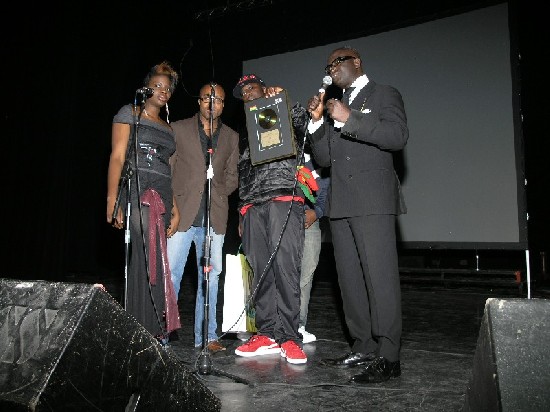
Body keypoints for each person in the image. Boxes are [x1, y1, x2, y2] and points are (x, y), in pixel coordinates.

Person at [307, 46, 408, 383]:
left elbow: (397, 136)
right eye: (328, 65)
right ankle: (363, 345)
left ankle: (389, 355)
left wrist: (350, 118)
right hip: (342, 204)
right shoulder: (336, 104)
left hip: (373, 202)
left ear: (356, 62)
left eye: (337, 62)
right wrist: (318, 122)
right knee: (349, 281)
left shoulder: (384, 94)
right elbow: (322, 159)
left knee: (380, 278)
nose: (331, 68)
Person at [232, 74, 308, 365]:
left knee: (285, 267)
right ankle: (266, 333)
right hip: (252, 204)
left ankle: (289, 336)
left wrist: (286, 102)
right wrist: (242, 209)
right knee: (259, 268)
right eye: (244, 93)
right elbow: (243, 173)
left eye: (252, 88)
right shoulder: (247, 132)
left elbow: (305, 131)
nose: (248, 95)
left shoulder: (282, 112)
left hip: (283, 198)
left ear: (264, 88)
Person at [106, 61, 181, 342]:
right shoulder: (129, 112)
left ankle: (153, 327)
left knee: (156, 256)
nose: (163, 92)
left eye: (168, 89)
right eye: (158, 86)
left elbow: (169, 169)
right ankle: (138, 325)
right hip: (137, 189)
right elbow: (117, 156)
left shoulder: (168, 127)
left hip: (162, 193)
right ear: (146, 88)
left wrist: (174, 207)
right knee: (143, 253)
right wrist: (113, 201)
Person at [167, 83, 239, 352]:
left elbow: (233, 176)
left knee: (211, 278)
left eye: (219, 100)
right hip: (182, 215)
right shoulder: (178, 129)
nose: (213, 104)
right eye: (208, 98)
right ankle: (163, 335)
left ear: (223, 105)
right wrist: (171, 206)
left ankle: (207, 337)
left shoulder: (231, 137)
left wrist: (218, 190)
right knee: (171, 276)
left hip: (214, 217)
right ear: (199, 101)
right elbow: (168, 169)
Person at [298, 150, 330, 344]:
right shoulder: (287, 148)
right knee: (280, 272)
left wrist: (316, 212)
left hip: (310, 220)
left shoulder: (323, 154)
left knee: (306, 274)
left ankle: (298, 325)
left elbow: (326, 190)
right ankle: (271, 326)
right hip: (282, 217)